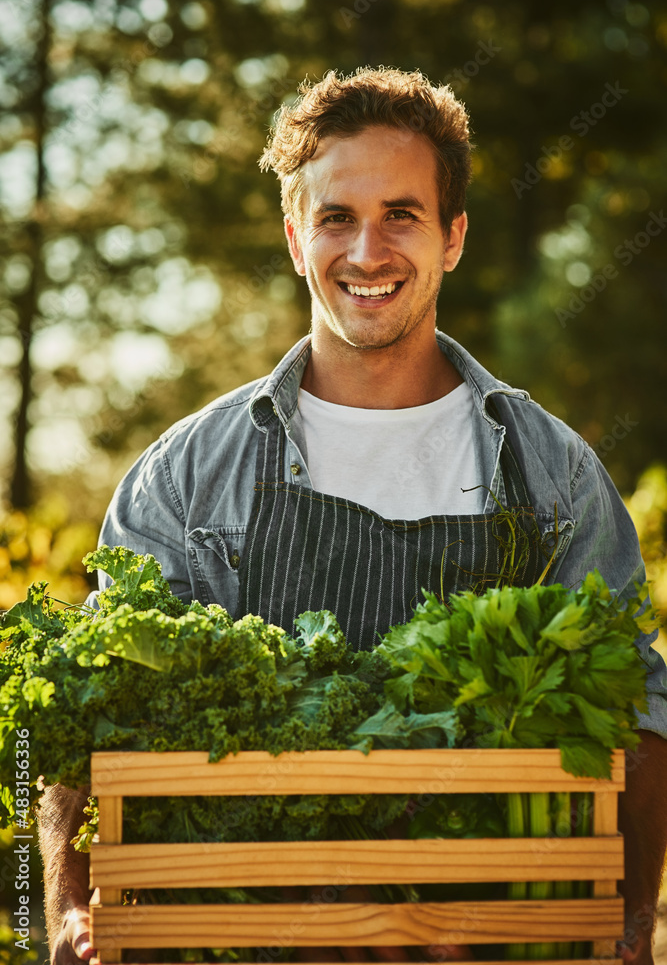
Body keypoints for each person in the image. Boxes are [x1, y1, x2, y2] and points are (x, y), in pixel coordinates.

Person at [39, 67, 667, 965]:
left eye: (401, 215)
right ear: (296, 238)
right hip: (236, 947)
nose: (367, 251)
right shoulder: (185, 474)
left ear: (452, 238)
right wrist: (65, 909)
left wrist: (633, 925)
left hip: (490, 946)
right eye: (337, 217)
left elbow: (635, 710)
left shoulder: (552, 472)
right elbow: (86, 706)